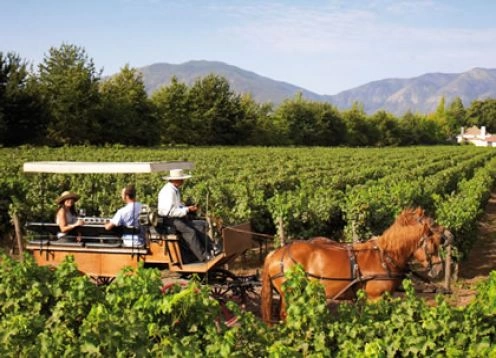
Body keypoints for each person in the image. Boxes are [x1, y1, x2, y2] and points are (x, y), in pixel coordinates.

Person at [158, 168, 219, 262]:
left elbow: (177, 206)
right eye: (181, 179)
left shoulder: (174, 190)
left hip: (176, 217)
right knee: (190, 232)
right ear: (175, 180)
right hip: (170, 219)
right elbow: (169, 212)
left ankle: (213, 248)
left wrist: (187, 208)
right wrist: (187, 209)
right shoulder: (168, 191)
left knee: (197, 227)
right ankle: (204, 257)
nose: (183, 181)